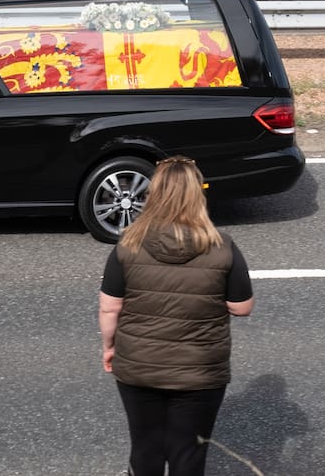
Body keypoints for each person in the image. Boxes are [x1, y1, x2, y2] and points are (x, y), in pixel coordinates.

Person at [98, 155, 254, 476]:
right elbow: (242, 307)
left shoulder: (129, 243)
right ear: (198, 195)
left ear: (153, 194)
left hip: (138, 365)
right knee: (188, 455)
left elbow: (110, 307)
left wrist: (110, 347)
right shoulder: (222, 246)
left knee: (145, 448)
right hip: (200, 371)